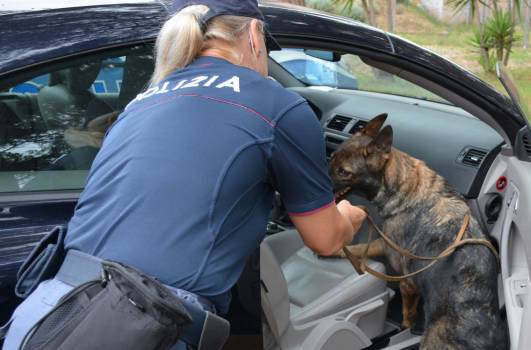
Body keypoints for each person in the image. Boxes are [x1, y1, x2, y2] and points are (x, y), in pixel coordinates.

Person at [1, 0, 366, 348]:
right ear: (255, 35)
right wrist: (350, 216)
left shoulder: (142, 100)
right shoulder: (277, 105)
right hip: (139, 325)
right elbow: (325, 239)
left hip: (49, 310)